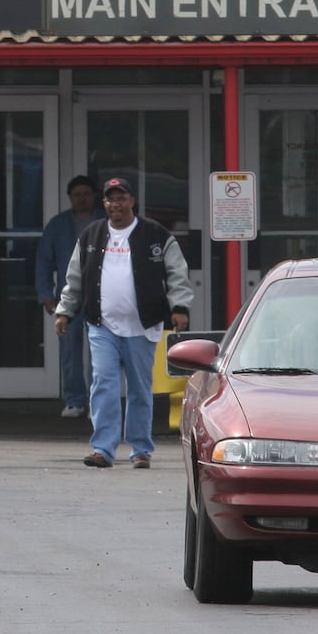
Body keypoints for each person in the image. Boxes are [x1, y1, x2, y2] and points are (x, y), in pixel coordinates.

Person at [53, 176, 193, 468]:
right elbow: (74, 278)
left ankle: (140, 449)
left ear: (132, 201)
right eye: (110, 199)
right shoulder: (91, 235)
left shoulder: (156, 234)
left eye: (121, 198)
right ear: (104, 203)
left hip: (143, 326)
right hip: (101, 325)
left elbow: (178, 274)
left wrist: (180, 307)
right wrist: (65, 311)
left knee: (140, 389)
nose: (115, 204)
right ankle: (102, 449)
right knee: (103, 383)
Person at [35, 175, 102, 418]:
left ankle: (98, 401)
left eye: (86, 193)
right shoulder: (58, 225)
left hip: (101, 296)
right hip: (68, 296)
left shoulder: (105, 222)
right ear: (70, 198)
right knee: (70, 351)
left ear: (94, 197)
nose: (82, 199)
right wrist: (45, 294)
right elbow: (43, 261)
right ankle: (74, 400)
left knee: (100, 352)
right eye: (77, 195)